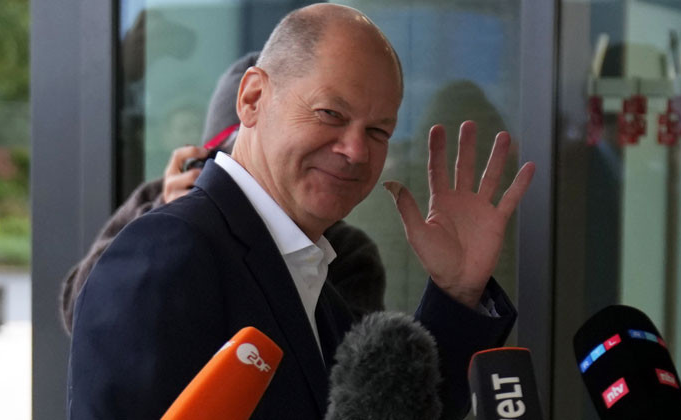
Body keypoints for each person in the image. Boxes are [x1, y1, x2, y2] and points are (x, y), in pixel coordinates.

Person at [68, 4, 535, 420]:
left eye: (378, 131)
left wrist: (457, 292)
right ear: (252, 99)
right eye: (331, 113)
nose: (355, 150)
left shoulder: (314, 281)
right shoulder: (168, 252)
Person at [59, 52, 385, 334]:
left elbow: (333, 367)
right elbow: (82, 312)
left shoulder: (343, 251)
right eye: (233, 160)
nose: (247, 181)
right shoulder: (162, 203)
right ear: (203, 161)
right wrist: (166, 223)